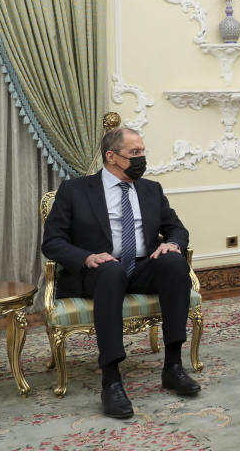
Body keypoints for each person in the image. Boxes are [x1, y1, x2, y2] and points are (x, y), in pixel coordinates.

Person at [42, 127, 200, 419]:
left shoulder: (151, 189)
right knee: (111, 272)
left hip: (141, 266)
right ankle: (111, 381)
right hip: (98, 272)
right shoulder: (75, 190)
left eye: (142, 151)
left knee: (175, 263)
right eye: (134, 153)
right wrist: (87, 256)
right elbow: (52, 242)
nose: (141, 158)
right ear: (111, 156)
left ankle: (173, 367)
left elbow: (176, 228)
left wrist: (173, 244)